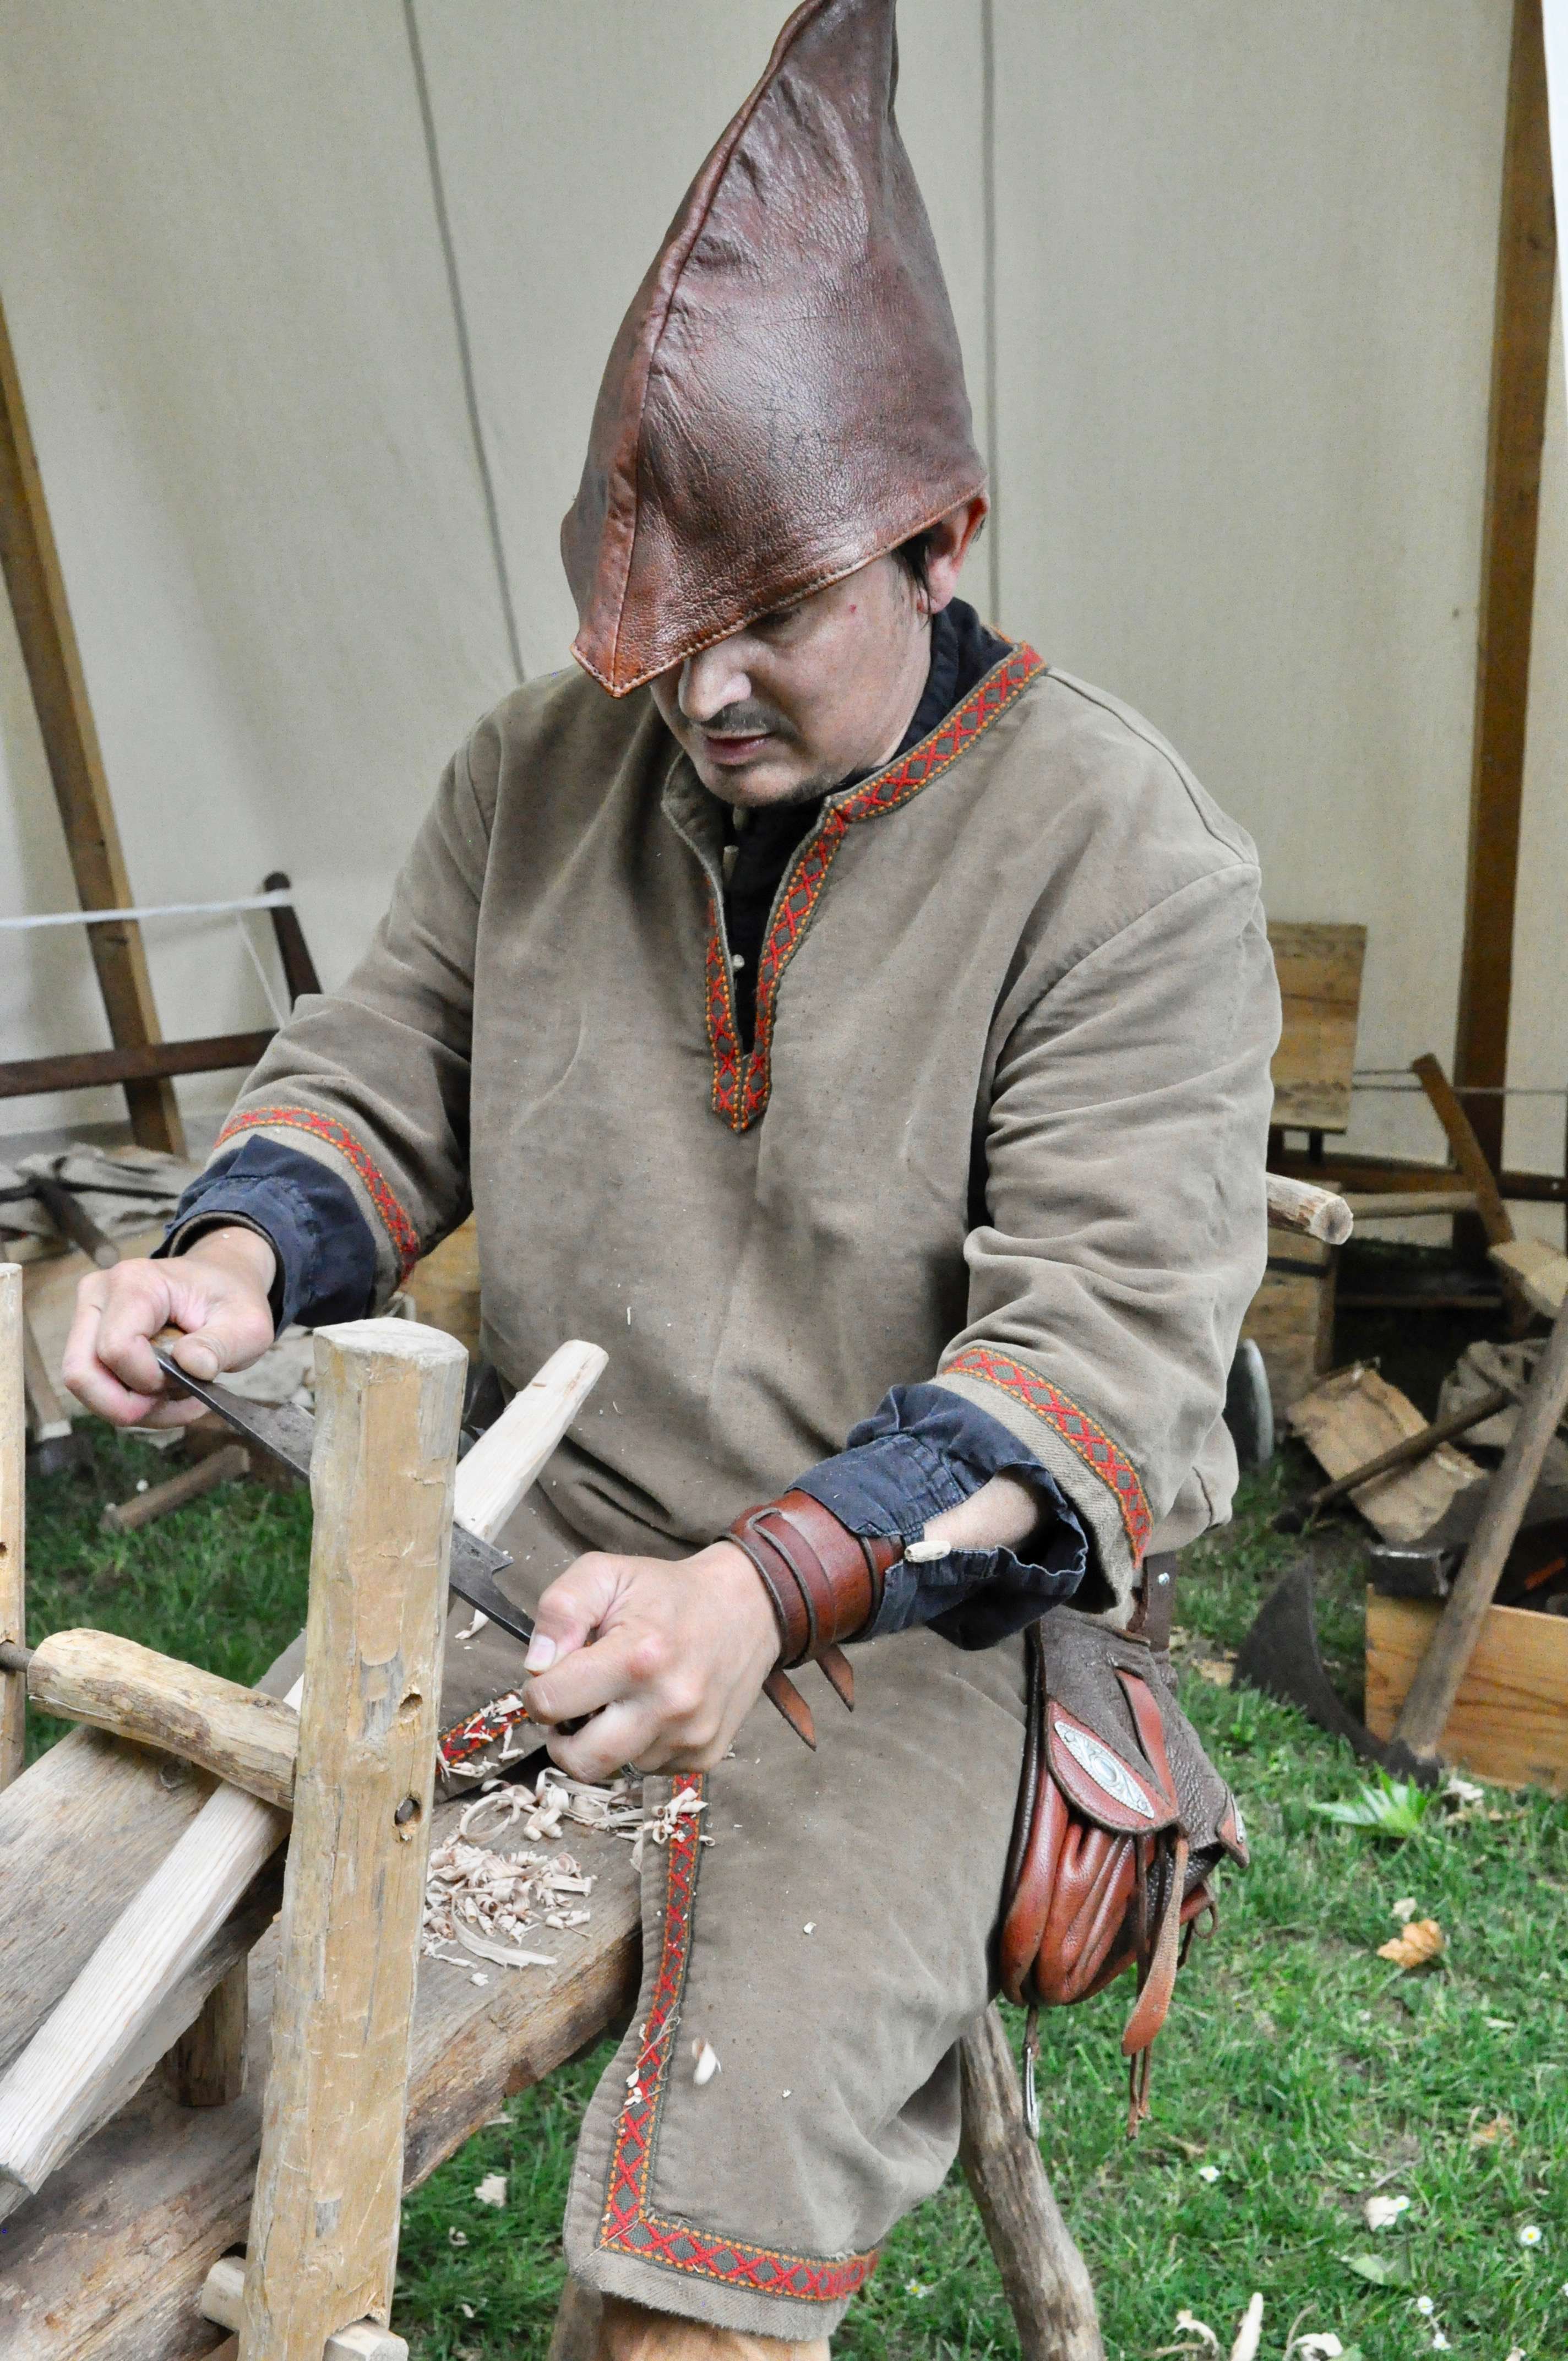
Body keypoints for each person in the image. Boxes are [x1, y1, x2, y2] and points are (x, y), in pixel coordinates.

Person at [64, 2, 1278, 2352]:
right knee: (140, 1987)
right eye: (658, 634)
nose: (700, 692)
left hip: (901, 1630)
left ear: (938, 538)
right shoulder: (543, 771)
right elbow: (385, 1060)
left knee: (693, 2276)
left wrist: (758, 1591)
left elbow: (1097, 1356)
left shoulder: (1129, 866)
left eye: (771, 620)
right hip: (519, 1547)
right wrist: (237, 1254)